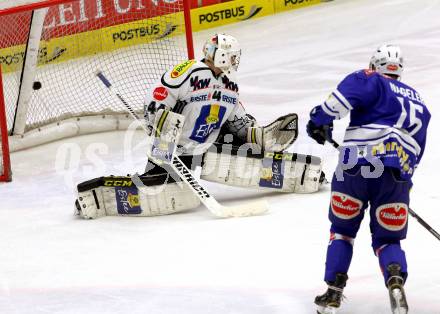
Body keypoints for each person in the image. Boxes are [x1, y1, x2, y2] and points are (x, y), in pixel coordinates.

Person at [74, 34, 324, 219]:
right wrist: (158, 120)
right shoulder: (189, 70)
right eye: (232, 55)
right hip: (172, 146)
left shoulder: (230, 86)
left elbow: (235, 117)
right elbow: (158, 96)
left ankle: (266, 145)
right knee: (177, 196)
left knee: (241, 141)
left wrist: (249, 132)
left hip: (207, 145)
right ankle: (96, 196)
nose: (235, 60)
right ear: (223, 54)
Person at [307, 44, 431, 314]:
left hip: (355, 168)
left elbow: (336, 104)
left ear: (375, 64)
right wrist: (401, 183)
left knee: (342, 231)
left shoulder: (369, 78)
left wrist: (318, 121)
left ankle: (333, 294)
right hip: (395, 176)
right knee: (389, 240)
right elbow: (418, 151)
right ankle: (396, 283)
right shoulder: (418, 101)